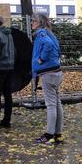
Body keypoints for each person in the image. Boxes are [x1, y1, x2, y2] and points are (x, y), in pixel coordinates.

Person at [31, 14, 63, 145]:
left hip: (47, 73)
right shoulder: (50, 33)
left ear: (39, 23)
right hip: (56, 71)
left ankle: (49, 134)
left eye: (34, 21)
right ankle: (58, 134)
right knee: (57, 103)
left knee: (50, 105)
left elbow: (48, 46)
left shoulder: (42, 34)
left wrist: (41, 59)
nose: (32, 23)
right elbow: (57, 49)